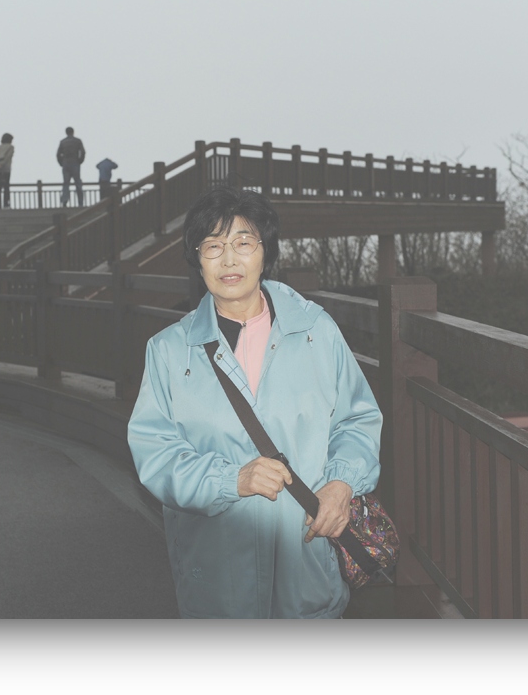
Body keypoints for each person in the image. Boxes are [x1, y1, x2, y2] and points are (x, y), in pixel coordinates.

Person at [127, 187, 383, 619]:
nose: (229, 259)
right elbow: (156, 456)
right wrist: (232, 479)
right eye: (213, 246)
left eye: (244, 242)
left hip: (307, 567)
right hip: (218, 579)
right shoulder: (170, 351)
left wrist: (342, 484)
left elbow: (357, 420)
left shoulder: (315, 331)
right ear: (197, 259)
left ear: (266, 252)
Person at [56, 126, 86, 207]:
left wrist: (61, 163)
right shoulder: (77, 141)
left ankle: (64, 201)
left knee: (66, 183)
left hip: (65, 163)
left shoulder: (63, 142)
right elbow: (83, 152)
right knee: (78, 183)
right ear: (73, 132)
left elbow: (58, 154)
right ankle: (80, 202)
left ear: (66, 132)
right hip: (75, 163)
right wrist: (80, 161)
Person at [0, 132, 14, 208]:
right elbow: (8, 157)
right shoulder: (10, 147)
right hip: (5, 170)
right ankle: (6, 204)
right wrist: (2, 164)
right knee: (6, 187)